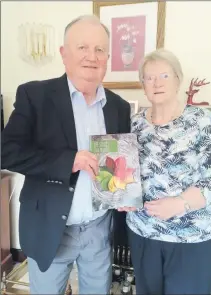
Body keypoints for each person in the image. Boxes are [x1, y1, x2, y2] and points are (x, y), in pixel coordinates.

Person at [1, 15, 130, 294]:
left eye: (99, 50)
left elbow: (118, 165)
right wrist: (67, 161)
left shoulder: (119, 107)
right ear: (63, 54)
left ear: (107, 57)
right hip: (50, 229)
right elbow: (6, 152)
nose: (91, 57)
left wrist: (125, 191)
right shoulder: (34, 95)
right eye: (82, 47)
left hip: (99, 229)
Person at [120, 49, 211, 294]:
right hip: (143, 234)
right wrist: (123, 196)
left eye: (164, 76)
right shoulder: (134, 124)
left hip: (192, 238)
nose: (156, 82)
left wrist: (181, 202)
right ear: (143, 85)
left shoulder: (201, 119)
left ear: (178, 80)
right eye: (149, 78)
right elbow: (126, 174)